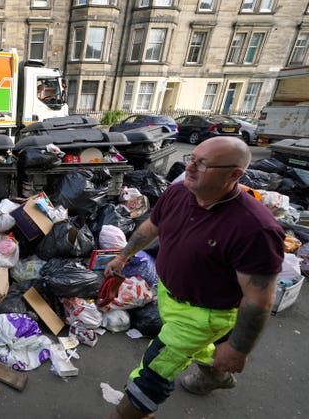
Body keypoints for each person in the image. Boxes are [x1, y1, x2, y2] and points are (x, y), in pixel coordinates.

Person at [101, 136, 285, 418]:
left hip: (204, 314)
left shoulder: (254, 228)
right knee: (203, 346)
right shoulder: (179, 193)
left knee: (152, 372)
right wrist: (122, 256)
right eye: (192, 159)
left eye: (204, 164)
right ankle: (216, 376)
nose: (191, 168)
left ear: (234, 174)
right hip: (169, 295)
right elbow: (152, 226)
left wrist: (238, 349)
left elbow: (259, 299)